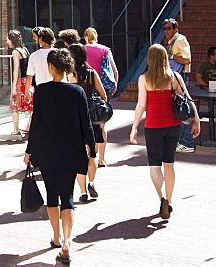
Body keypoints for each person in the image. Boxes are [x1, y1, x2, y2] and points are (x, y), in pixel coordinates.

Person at [23, 48, 96, 266]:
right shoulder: (77, 92)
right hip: (71, 149)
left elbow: (36, 123)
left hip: (46, 150)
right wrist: (92, 149)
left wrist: (29, 150)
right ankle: (67, 241)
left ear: (52, 67)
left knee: (51, 196)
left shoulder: (42, 91)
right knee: (68, 196)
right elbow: (86, 123)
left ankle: (56, 237)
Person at [129, 44, 200, 220]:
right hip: (172, 124)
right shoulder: (174, 77)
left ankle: (161, 197)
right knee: (169, 164)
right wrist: (196, 120)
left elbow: (141, 105)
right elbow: (188, 99)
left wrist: (134, 127)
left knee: (154, 165)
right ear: (165, 58)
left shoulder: (144, 78)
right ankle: (169, 199)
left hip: (153, 125)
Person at [67, 44, 107, 202]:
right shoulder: (91, 74)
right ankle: (92, 182)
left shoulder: (69, 75)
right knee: (92, 152)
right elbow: (103, 94)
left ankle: (83, 191)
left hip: (75, 118)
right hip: (92, 118)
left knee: (78, 155)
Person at [82, 27, 119, 166]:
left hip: (87, 89)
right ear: (96, 36)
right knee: (102, 122)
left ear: (85, 37)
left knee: (88, 122)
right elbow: (114, 70)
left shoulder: (82, 50)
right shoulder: (105, 50)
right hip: (103, 88)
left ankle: (90, 153)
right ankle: (102, 158)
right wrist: (114, 86)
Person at [160, 19, 194, 153]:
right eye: (164, 29)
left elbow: (187, 60)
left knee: (182, 108)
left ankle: (186, 142)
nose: (166, 31)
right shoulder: (169, 41)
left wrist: (171, 56)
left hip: (180, 78)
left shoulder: (180, 40)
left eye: (168, 28)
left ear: (175, 29)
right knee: (174, 108)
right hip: (172, 77)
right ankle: (179, 141)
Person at [7, 30, 32, 136]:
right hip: (27, 80)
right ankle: (30, 126)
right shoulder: (24, 49)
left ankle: (16, 129)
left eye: (7, 39)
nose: (6, 41)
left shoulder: (15, 52)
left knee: (15, 107)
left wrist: (13, 86)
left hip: (20, 81)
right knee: (30, 107)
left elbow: (16, 69)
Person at [24, 27, 56, 103]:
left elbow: (29, 75)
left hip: (41, 89)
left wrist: (26, 91)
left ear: (41, 38)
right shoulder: (58, 53)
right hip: (56, 88)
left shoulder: (34, 55)